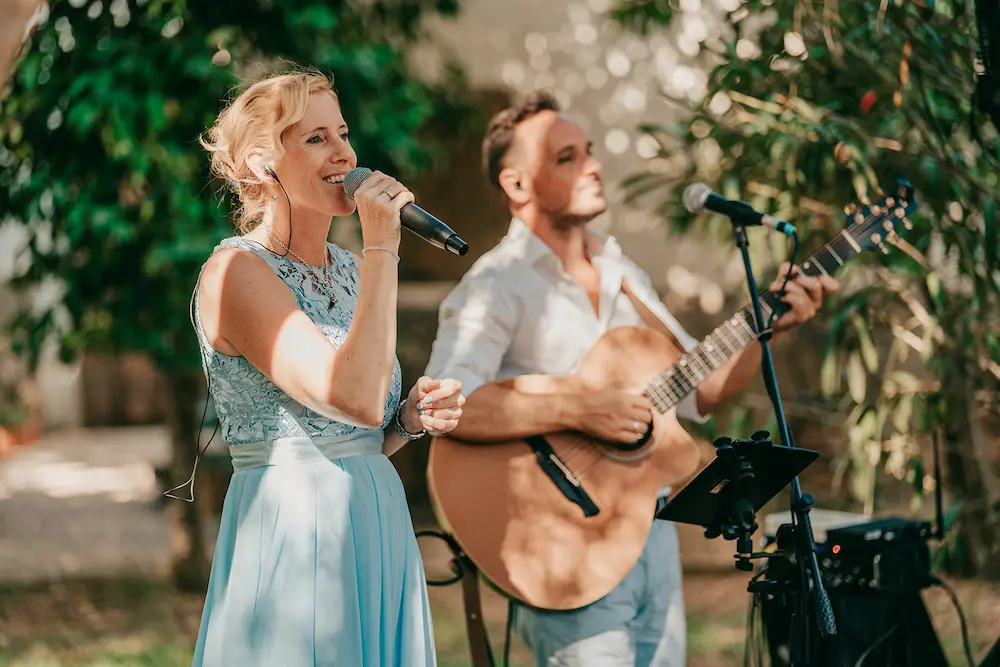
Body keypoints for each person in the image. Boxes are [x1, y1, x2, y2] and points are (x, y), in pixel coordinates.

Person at [423, 91, 839, 667]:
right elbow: (451, 406)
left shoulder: (624, 272)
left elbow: (703, 390)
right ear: (517, 185)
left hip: (648, 533)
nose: (593, 165)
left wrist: (767, 324)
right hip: (560, 543)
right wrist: (577, 409)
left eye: (589, 152)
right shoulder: (495, 285)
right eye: (567, 157)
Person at [191, 68, 464, 667]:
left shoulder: (349, 267)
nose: (346, 152)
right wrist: (384, 245)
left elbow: (356, 432)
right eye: (316, 138)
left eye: (343, 133)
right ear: (263, 164)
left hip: (373, 521)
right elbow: (355, 397)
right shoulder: (236, 273)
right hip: (295, 533)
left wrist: (407, 422)